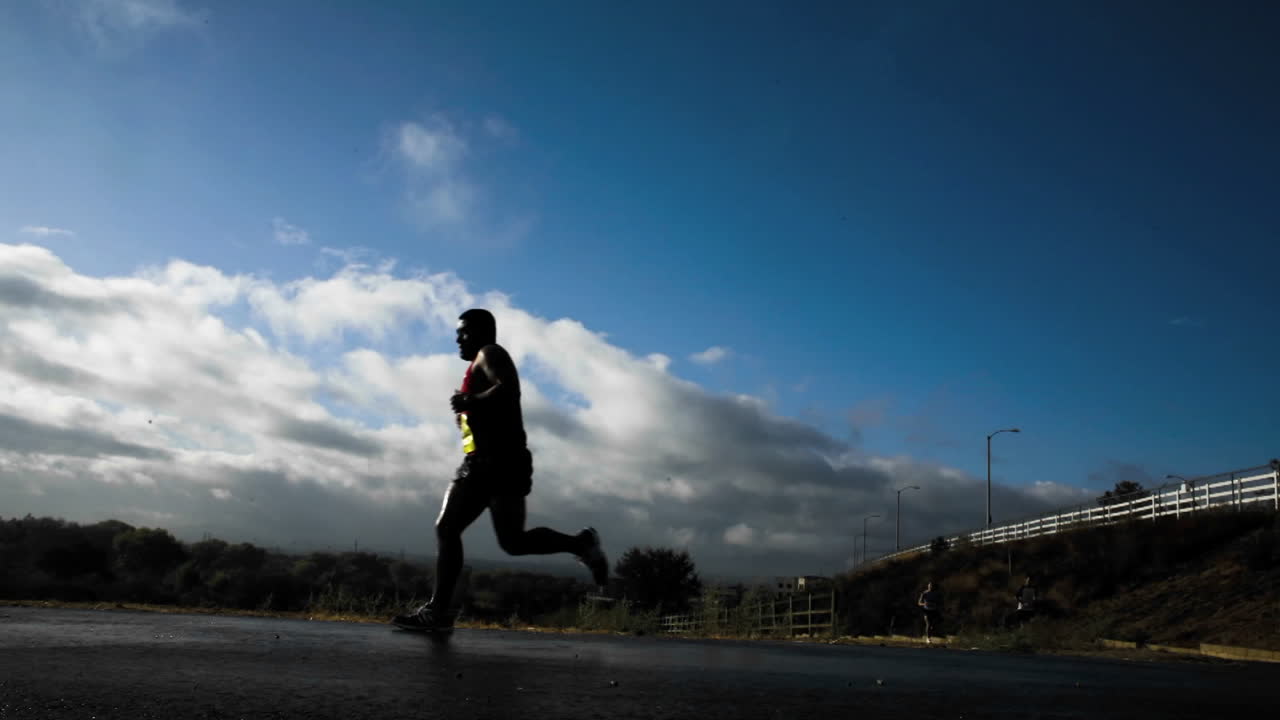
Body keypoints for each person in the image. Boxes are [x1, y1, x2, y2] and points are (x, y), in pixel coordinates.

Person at [393, 309, 609, 633]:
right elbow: (488, 409)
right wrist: (468, 417)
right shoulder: (476, 366)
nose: (457, 338)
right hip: (488, 463)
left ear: (482, 332)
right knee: (512, 542)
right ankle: (580, 544)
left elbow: (510, 388)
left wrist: (472, 400)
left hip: (497, 463)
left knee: (448, 529)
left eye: (463, 332)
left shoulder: (490, 354)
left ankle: (438, 613)